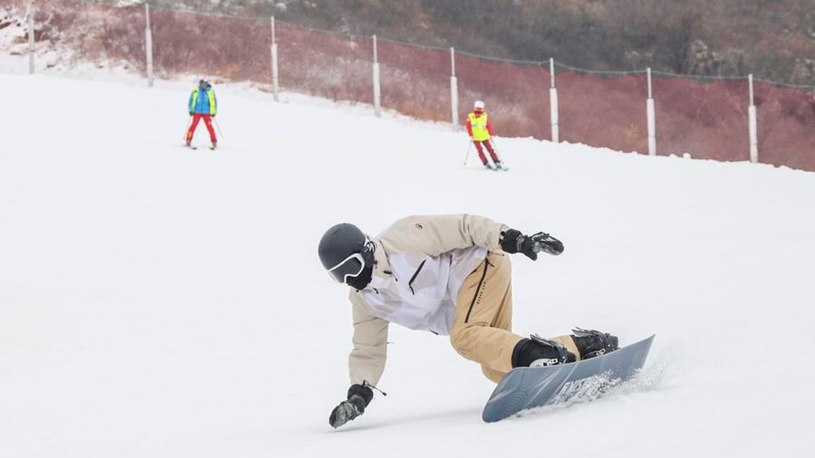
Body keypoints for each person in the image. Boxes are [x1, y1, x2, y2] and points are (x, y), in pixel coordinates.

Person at [319, 214, 619, 428]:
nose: (351, 279)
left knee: (465, 337)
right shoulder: (365, 300)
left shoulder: (403, 238)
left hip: (481, 265)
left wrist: (513, 238)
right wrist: (359, 394)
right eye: (339, 276)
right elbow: (367, 348)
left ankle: (547, 356)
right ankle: (585, 345)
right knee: (497, 367)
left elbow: (464, 227)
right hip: (470, 304)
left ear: (367, 250)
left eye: (352, 267)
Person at [466, 100, 504, 170]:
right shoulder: (470, 117)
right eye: (478, 109)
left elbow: (488, 125)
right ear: (475, 108)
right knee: (480, 150)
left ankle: (496, 162)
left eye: (481, 110)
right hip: (476, 137)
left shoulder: (484, 116)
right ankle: (486, 163)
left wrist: (490, 132)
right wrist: (471, 134)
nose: (479, 111)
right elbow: (468, 127)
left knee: (490, 149)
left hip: (484, 136)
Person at [186, 79, 218, 149]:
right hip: (197, 112)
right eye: (202, 85)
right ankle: (188, 139)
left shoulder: (210, 91)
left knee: (210, 127)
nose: (204, 86)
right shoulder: (196, 90)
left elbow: (214, 102)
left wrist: (213, 111)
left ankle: (214, 141)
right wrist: (191, 109)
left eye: (205, 85)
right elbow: (191, 100)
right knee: (193, 126)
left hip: (206, 113)